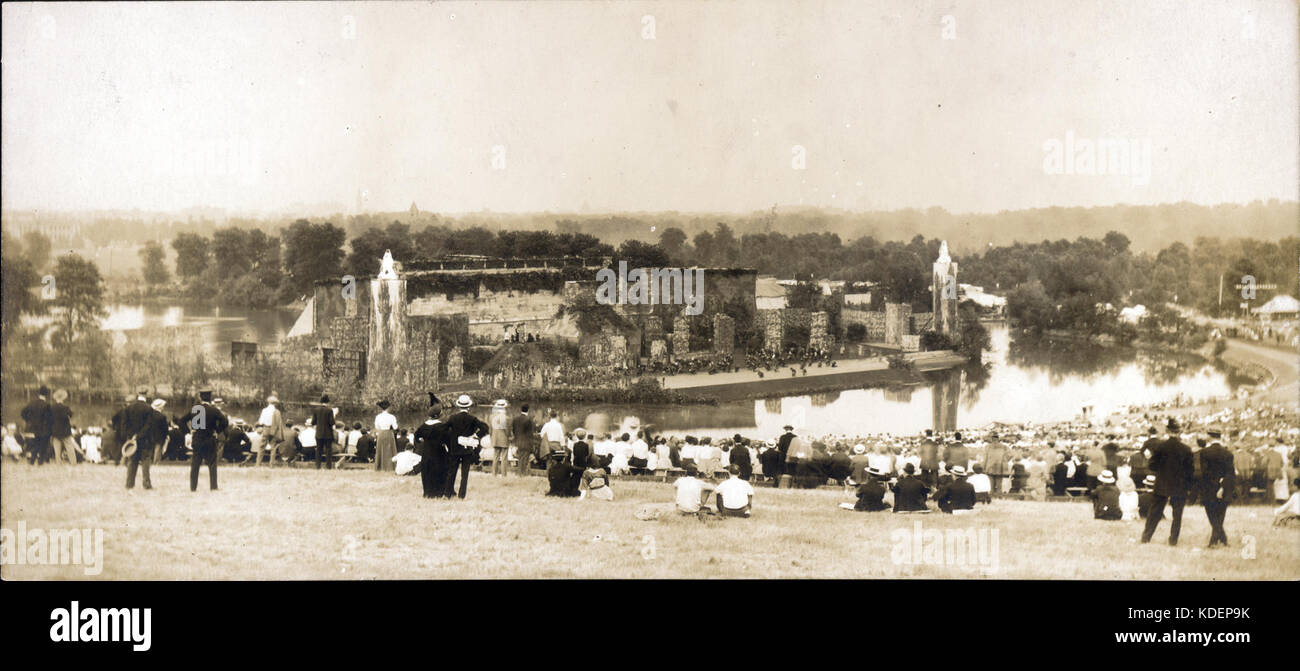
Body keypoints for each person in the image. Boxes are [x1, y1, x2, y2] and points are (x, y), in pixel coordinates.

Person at [1140, 419, 1195, 546]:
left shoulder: (1160, 447)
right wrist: (1188, 487)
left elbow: (1152, 466)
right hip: (1179, 486)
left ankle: (1146, 537)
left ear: (1167, 431)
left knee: (1154, 513)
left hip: (1162, 484)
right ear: (1179, 432)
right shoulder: (1186, 449)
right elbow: (1190, 471)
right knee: (1177, 515)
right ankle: (1173, 540)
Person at [443, 394, 489, 499]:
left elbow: (444, 429)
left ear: (459, 406)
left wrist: (450, 440)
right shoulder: (472, 419)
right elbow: (485, 427)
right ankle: (461, 495)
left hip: (455, 448)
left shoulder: (453, 418)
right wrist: (476, 436)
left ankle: (447, 493)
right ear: (468, 406)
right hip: (467, 448)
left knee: (452, 471)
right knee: (465, 473)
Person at [182, 390, 228, 492]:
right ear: (210, 398)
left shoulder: (194, 409)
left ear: (200, 398)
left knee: (195, 464)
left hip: (197, 438)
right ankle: (213, 486)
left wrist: (188, 432)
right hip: (209, 438)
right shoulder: (213, 410)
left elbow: (182, 420)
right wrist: (217, 430)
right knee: (212, 463)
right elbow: (225, 421)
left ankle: (193, 487)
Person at [1198, 429, 1235, 548]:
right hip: (1224, 489)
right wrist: (1222, 487)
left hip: (1209, 488)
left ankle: (1213, 542)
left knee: (1212, 516)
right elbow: (1231, 474)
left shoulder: (1205, 453)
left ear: (1209, 436)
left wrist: (1216, 486)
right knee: (1220, 515)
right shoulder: (1228, 453)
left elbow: (1205, 473)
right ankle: (1223, 540)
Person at [414, 406, 448, 498]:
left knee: (427, 470)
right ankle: (439, 492)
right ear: (438, 415)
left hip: (427, 451)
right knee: (440, 470)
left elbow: (416, 436)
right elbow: (447, 438)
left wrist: (421, 443)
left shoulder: (423, 426)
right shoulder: (442, 426)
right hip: (439, 451)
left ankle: (428, 492)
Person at [21, 385, 54, 465]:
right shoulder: (47, 405)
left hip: (33, 428)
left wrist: (29, 420)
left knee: (35, 444)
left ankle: (32, 460)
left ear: (39, 393)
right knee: (43, 445)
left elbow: (23, 412)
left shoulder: (32, 403)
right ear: (46, 394)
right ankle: (40, 461)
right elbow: (50, 418)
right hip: (44, 428)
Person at [256, 394, 285, 467]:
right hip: (273, 430)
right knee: (273, 447)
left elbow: (261, 421)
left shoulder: (264, 410)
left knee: (262, 447)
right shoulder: (277, 411)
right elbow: (279, 423)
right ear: (275, 403)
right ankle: (271, 464)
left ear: (268, 402)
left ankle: (258, 464)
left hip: (266, 428)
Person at [49, 389, 77, 466]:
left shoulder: (52, 407)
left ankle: (58, 462)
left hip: (55, 429)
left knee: (57, 447)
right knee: (69, 446)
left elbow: (49, 418)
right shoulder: (65, 407)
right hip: (65, 429)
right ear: (63, 398)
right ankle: (73, 462)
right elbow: (71, 415)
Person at [510, 403, 536, 476]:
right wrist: (532, 444)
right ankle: (523, 474)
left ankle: (520, 474)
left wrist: (516, 439)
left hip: (518, 441)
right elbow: (530, 434)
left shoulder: (515, 419)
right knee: (525, 459)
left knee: (520, 458)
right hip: (526, 442)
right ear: (528, 410)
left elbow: (514, 431)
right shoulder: (528, 420)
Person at [373, 399, 397, 472]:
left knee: (381, 449)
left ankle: (380, 467)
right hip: (389, 433)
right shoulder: (391, 417)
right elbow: (395, 427)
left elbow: (377, 427)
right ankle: (390, 467)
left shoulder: (378, 417)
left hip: (381, 433)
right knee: (390, 450)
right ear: (388, 408)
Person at [489, 399, 511, 477]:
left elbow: (490, 429)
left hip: (495, 439)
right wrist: (509, 437)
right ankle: (504, 475)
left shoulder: (492, 416)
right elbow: (507, 430)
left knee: (495, 457)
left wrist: (491, 437)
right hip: (504, 439)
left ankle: (494, 474)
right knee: (504, 458)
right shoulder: (506, 418)